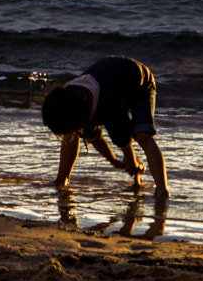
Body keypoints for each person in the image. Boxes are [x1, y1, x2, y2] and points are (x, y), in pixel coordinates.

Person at [41, 56, 169, 200]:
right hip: (109, 76)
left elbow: (123, 138)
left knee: (142, 135)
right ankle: (61, 180)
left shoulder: (108, 105)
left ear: (82, 117)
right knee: (71, 135)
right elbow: (94, 138)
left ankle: (161, 188)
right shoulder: (67, 97)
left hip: (139, 82)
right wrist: (115, 161)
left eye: (76, 127)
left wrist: (131, 163)